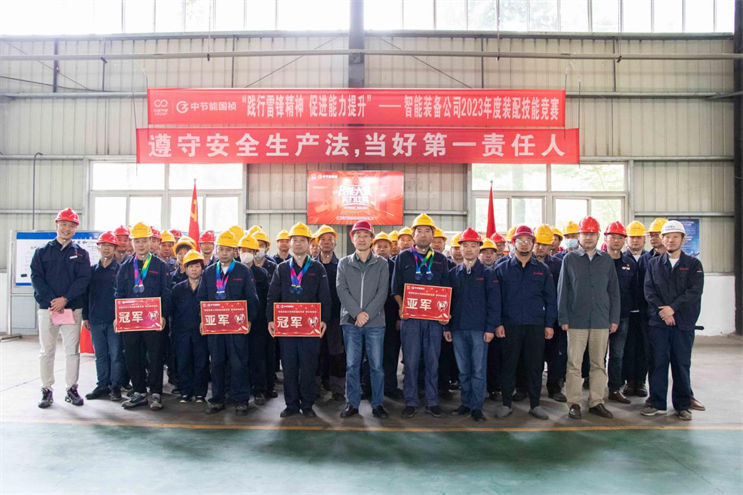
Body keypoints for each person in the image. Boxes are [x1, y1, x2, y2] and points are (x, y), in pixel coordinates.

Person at [558, 216, 620, 420]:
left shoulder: (606, 260)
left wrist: (614, 318)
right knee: (574, 364)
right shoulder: (570, 259)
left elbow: (614, 291)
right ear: (579, 235)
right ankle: (574, 403)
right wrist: (563, 317)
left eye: (592, 234)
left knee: (598, 364)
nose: (589, 237)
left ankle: (596, 402)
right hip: (576, 320)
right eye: (585, 233)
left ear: (598, 235)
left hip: (601, 320)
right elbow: (563, 290)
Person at [267, 223, 331, 418]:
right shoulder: (281, 268)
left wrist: (324, 319)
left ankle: (307, 404)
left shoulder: (317, 268)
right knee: (289, 366)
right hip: (287, 326)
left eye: (302, 240)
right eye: (294, 240)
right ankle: (291, 404)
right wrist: (271, 319)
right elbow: (273, 296)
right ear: (290, 243)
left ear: (309, 243)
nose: (298, 243)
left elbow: (325, 296)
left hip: (310, 326)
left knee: (309, 366)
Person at [642, 220, 704, 421]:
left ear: (683, 240)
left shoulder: (693, 265)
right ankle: (657, 402)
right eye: (667, 237)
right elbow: (649, 291)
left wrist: (673, 309)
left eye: (675, 237)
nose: (671, 240)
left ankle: (682, 405)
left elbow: (694, 291)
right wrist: (664, 311)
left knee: (681, 363)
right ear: (662, 239)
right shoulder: (653, 264)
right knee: (657, 363)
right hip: (659, 323)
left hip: (683, 323)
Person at [391, 213, 451, 418]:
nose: (423, 235)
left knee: (433, 361)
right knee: (411, 361)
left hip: (434, 321)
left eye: (427, 231)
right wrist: (401, 306)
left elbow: (446, 289)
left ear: (433, 235)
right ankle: (411, 400)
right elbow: (395, 288)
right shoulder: (403, 258)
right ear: (413, 234)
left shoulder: (441, 260)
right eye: (419, 231)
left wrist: (444, 313)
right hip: (411, 319)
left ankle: (432, 401)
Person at [494, 225, 556, 420]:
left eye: (528, 240)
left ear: (533, 243)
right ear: (513, 243)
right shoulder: (502, 268)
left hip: (535, 325)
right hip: (509, 325)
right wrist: (498, 323)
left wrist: (549, 324)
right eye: (520, 240)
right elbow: (496, 300)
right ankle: (506, 404)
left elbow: (550, 299)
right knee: (508, 365)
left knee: (535, 366)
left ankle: (535, 404)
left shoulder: (542, 270)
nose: (524, 244)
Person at [32, 208, 91, 408]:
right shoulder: (42, 252)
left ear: (76, 228)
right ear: (56, 224)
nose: (67, 228)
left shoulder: (81, 253)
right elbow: (36, 278)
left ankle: (71, 389)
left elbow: (83, 280)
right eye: (64, 224)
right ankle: (46, 390)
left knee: (72, 351)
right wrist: (52, 301)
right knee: (47, 350)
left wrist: (65, 299)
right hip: (48, 309)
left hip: (72, 309)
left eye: (71, 225)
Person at [198, 231, 259, 417]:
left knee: (238, 362)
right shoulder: (208, 272)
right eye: (221, 249)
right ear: (216, 250)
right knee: (216, 362)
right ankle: (217, 399)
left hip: (236, 327)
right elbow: (201, 299)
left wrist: (249, 319)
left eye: (228, 250)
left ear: (235, 251)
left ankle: (241, 400)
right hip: (215, 327)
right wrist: (202, 320)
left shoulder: (243, 271)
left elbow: (252, 298)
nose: (224, 253)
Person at [336, 221, 390, 419]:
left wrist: (366, 314)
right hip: (351, 323)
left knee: (376, 366)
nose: (362, 239)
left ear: (371, 239)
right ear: (352, 239)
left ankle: (377, 404)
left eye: (366, 235)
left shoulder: (381, 263)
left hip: (375, 323)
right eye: (358, 235)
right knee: (352, 365)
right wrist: (357, 313)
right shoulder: (344, 263)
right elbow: (341, 289)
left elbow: (382, 292)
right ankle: (352, 404)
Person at [446, 228, 500, 422]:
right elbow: (446, 302)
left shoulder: (487, 274)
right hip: (458, 329)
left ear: (479, 249)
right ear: (459, 249)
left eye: (473, 246)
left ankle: (477, 407)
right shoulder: (453, 274)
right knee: (463, 370)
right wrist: (447, 327)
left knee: (478, 371)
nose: (469, 249)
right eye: (465, 246)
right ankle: (466, 403)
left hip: (479, 330)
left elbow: (494, 303)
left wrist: (490, 328)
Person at [116, 223, 171, 411]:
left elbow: (166, 292)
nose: (141, 245)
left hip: (153, 319)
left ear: (151, 242)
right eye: (137, 241)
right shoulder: (125, 267)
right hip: (131, 319)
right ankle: (139, 391)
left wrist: (163, 315)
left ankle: (155, 392)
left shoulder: (160, 266)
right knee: (132, 355)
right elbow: (119, 293)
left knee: (155, 356)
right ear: (132, 243)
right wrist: (118, 316)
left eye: (144, 241)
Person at [82, 231, 124, 401]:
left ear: (115, 248)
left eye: (110, 246)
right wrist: (85, 316)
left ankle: (115, 387)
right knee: (100, 355)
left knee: (116, 355)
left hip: (115, 321)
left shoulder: (121, 270)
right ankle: (102, 386)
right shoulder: (91, 271)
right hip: (96, 319)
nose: (107, 249)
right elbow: (86, 295)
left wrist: (121, 318)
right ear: (98, 247)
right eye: (104, 245)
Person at [603, 221, 640, 405]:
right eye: (613, 237)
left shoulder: (630, 264)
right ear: (605, 238)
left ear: (624, 240)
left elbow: (634, 290)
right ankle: (595, 388)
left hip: (622, 316)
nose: (616, 241)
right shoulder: (598, 262)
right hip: (600, 316)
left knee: (617, 355)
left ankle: (614, 388)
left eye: (620, 237)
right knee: (598, 356)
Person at [237, 234, 275, 404]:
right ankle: (239, 390)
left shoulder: (262, 273)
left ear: (255, 252)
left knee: (257, 356)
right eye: (242, 250)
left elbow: (268, 298)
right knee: (238, 358)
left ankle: (259, 390)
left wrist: (267, 320)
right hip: (236, 322)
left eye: (249, 250)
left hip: (258, 322)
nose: (245, 253)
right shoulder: (233, 271)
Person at [532, 224, 566, 403]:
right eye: (538, 243)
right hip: (533, 317)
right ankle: (528, 388)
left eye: (544, 244)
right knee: (532, 355)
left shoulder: (558, 265)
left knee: (555, 356)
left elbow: (563, 292)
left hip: (553, 317)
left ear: (550, 245)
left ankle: (554, 388)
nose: (540, 248)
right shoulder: (525, 263)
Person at [170, 250, 209, 403]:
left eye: (197, 266)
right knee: (183, 362)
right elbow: (172, 312)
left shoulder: (208, 287)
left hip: (202, 333)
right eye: (191, 266)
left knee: (201, 363)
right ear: (185, 269)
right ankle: (185, 391)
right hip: (182, 333)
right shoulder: (177, 289)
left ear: (202, 268)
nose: (194, 269)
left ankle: (200, 393)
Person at [314, 225, 346, 401]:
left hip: (335, 317)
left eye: (330, 239)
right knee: (315, 353)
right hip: (313, 318)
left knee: (336, 354)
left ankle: (338, 389)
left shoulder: (342, 266)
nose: (326, 242)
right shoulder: (309, 266)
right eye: (323, 239)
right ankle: (314, 387)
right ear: (317, 243)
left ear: (335, 243)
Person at [373, 232, 403, 399]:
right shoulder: (368, 265)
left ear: (391, 249)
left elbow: (400, 290)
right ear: (373, 248)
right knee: (370, 354)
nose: (382, 249)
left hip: (391, 317)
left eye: (386, 246)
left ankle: (390, 387)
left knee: (391, 353)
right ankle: (368, 386)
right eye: (379, 246)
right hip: (371, 317)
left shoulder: (396, 267)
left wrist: (399, 317)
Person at [623, 220, 649, 396]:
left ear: (644, 240)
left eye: (638, 237)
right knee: (627, 348)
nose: (635, 240)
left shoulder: (650, 259)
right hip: (626, 312)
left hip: (646, 313)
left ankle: (640, 382)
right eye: (632, 237)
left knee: (643, 348)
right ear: (627, 239)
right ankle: (629, 381)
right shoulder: (621, 259)